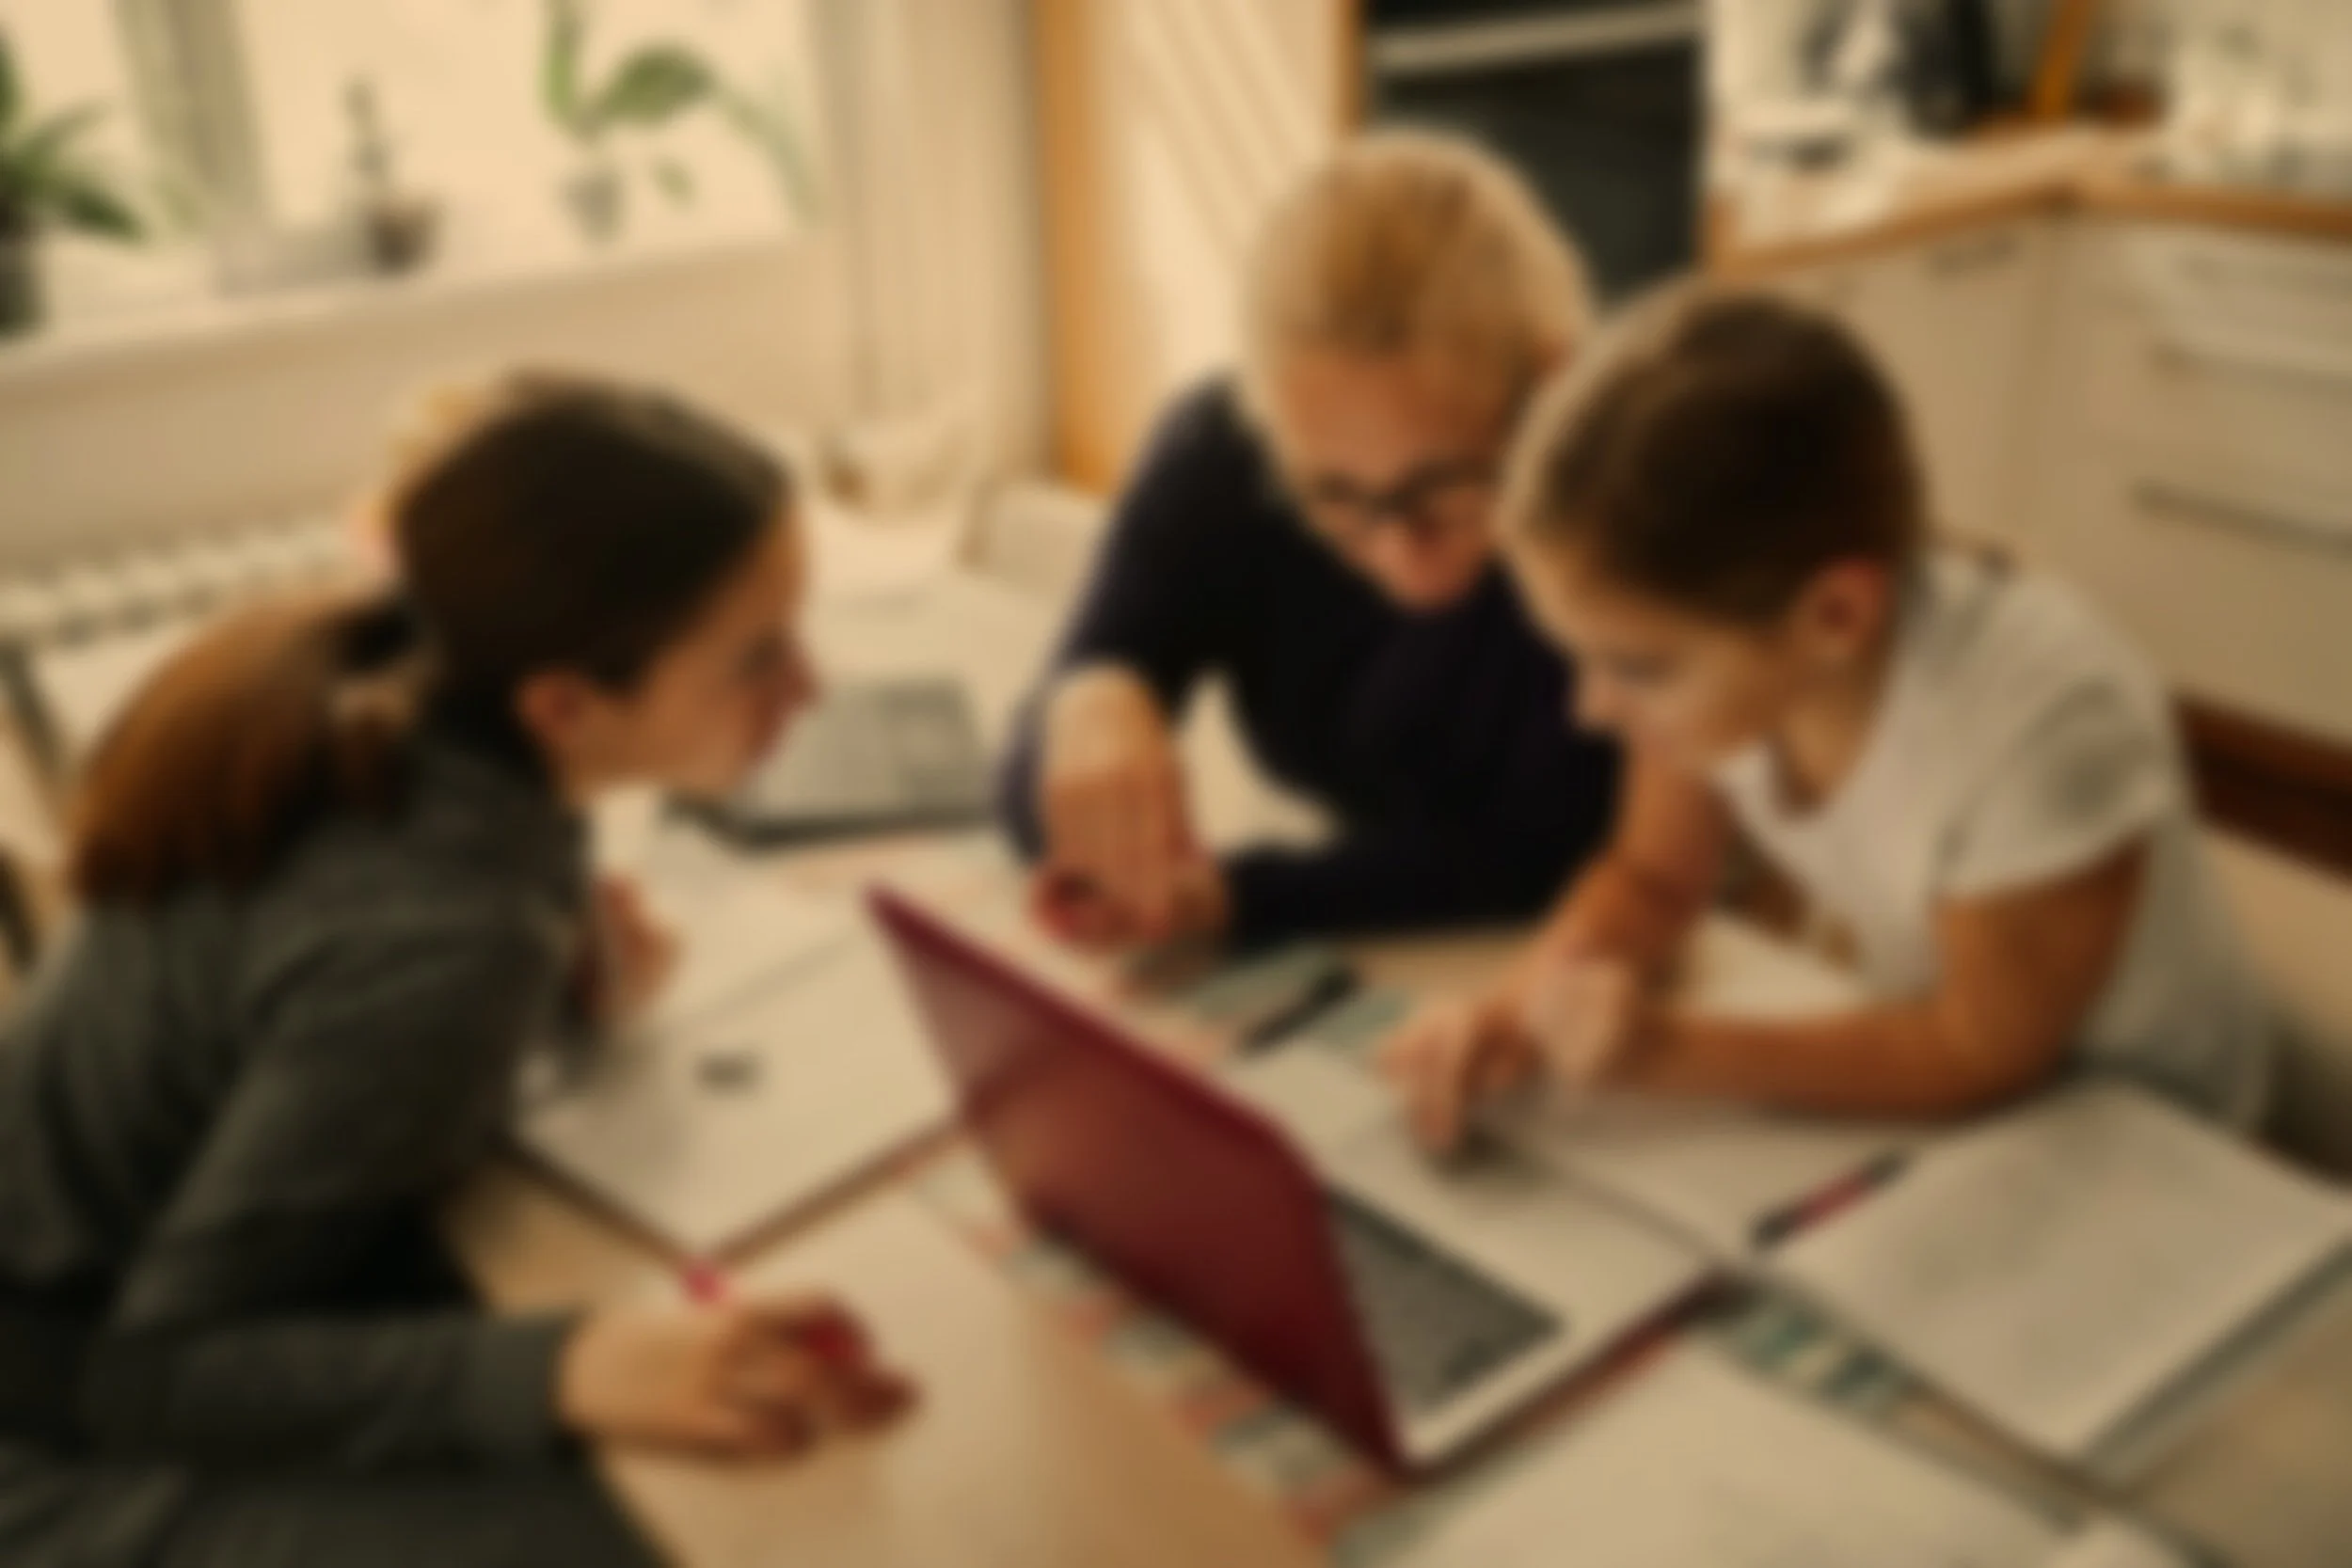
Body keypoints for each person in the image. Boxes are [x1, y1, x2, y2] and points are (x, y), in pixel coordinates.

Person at [0, 375, 915, 1568]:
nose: (812, 688)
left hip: (90, 1317)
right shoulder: (443, 933)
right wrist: (566, 1363)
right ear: (566, 706)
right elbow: (153, 1378)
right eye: (758, 657)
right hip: (56, 1432)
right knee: (730, 1521)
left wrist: (552, 969)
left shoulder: (404, 706)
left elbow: (321, 971)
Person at [1384, 286, 2270, 1152]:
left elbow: (1981, 1049)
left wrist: (1665, 1050)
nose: (1589, 708)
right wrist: (1510, 1016)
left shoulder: (2047, 722)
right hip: (1955, 1060)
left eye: (1634, 667)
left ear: (1835, 616)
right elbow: (1653, 877)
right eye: (1578, 655)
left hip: (2154, 1134)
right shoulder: (1736, 658)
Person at [1000, 132, 1622, 951]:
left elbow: (1533, 856)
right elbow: (1022, 797)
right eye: (1333, 494)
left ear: (1546, 390)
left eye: (1444, 487)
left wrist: (1237, 897)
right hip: (1392, 914)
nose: (1398, 549)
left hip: (1611, 912)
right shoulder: (1216, 459)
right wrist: (1089, 694)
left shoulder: (1611, 497)